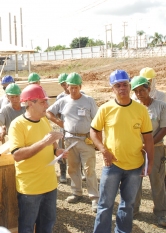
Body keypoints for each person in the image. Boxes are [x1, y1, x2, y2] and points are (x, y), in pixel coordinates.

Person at [90, 70, 154, 233]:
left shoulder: (141, 110)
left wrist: (150, 163)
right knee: (105, 205)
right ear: (112, 89)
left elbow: (148, 139)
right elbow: (93, 132)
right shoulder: (105, 109)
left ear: (129, 86)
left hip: (135, 166)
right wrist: (103, 150)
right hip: (113, 165)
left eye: (125, 84)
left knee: (127, 205)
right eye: (117, 85)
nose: (122, 88)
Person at [9, 84, 66, 233]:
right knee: (27, 227)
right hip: (30, 188)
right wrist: (43, 143)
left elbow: (52, 144)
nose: (47, 106)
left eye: (46, 101)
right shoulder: (17, 125)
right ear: (29, 103)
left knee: (47, 226)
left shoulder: (44, 120)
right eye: (42, 102)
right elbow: (17, 155)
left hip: (50, 185)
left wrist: (57, 151)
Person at [47, 72, 99, 212]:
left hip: (85, 139)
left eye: (76, 87)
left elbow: (97, 120)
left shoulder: (89, 101)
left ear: (80, 86)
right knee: (73, 168)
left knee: (89, 169)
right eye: (71, 87)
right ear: (67, 87)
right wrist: (59, 122)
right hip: (69, 140)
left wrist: (97, 140)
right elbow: (48, 112)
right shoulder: (63, 101)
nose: (74, 90)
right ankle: (77, 192)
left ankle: (94, 198)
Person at [131, 76, 166, 227]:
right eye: (136, 91)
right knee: (134, 181)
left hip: (156, 149)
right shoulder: (133, 108)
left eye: (142, 90)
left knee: (157, 181)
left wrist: (149, 144)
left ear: (149, 89)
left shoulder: (161, 106)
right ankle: (133, 210)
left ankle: (161, 213)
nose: (139, 94)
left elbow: (164, 128)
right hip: (136, 150)